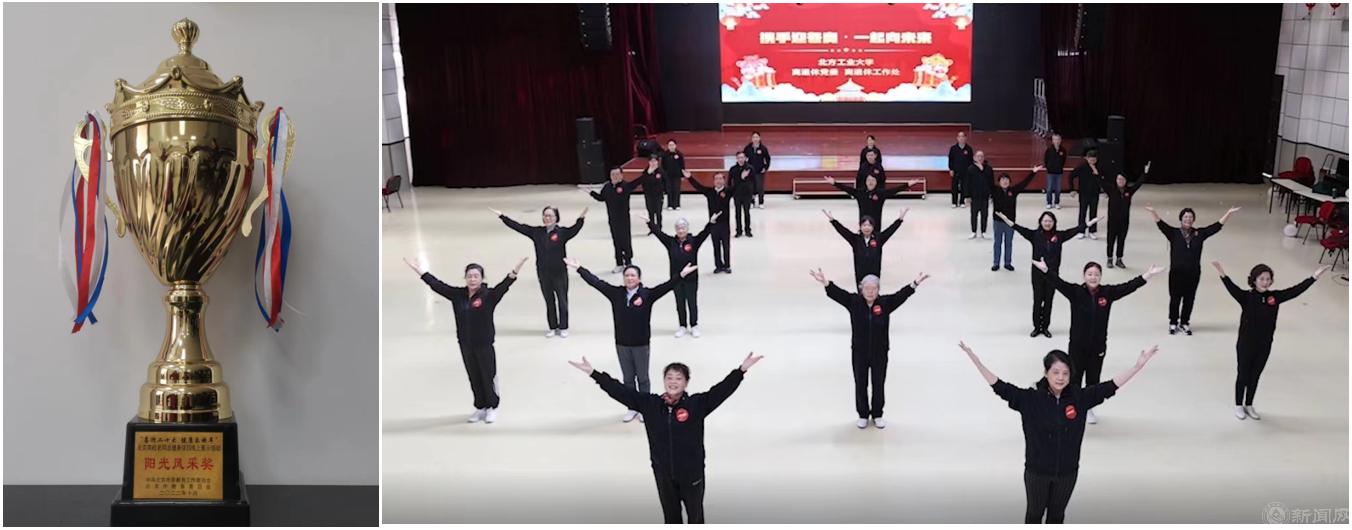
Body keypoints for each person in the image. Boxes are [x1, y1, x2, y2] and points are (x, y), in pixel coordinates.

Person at [957, 341, 1161, 523]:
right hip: (1037, 473)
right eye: (1055, 372)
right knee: (1034, 515)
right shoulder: (1030, 399)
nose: (1060, 378)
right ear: (1046, 373)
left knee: (1056, 516)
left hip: (1067, 473)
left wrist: (1137, 367)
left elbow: (1110, 387)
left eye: (1065, 373)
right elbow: (1000, 387)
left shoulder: (1080, 398)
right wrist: (977, 362)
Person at [568, 352, 764, 523]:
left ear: (686, 383)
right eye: (669, 377)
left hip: (691, 474)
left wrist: (741, 371)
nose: (673, 382)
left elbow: (721, 391)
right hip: (663, 475)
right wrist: (594, 373)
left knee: (695, 516)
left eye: (678, 378)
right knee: (671, 518)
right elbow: (621, 391)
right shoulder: (650, 404)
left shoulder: (697, 404)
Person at [565, 257, 697, 423]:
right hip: (622, 343)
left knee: (642, 378)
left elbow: (666, 286)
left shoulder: (647, 295)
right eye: (627, 275)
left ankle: (645, 408)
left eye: (633, 275)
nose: (629, 278)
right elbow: (596, 283)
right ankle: (632, 407)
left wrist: (681, 275)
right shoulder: (616, 294)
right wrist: (579, 268)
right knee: (628, 378)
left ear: (639, 278)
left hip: (641, 344)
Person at [1034, 259, 1163, 424]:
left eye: (1096, 274)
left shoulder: (1107, 293)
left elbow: (1128, 287)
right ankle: (1070, 407)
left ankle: (1088, 408)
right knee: (1074, 378)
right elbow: (1059, 283)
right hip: (1077, 346)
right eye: (1089, 274)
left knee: (1093, 379)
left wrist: (1147, 275)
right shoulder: (1075, 292)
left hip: (1098, 346)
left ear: (1100, 276)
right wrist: (1046, 271)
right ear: (1084, 276)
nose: (1093, 277)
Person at [405, 256, 527, 424]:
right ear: (465, 278)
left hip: (484, 344)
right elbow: (437, 285)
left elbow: (504, 285)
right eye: (469, 276)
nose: (472, 279)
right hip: (466, 344)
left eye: (476, 276)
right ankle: (480, 406)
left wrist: (515, 270)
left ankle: (492, 407)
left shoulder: (489, 296)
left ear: (482, 278)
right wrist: (419, 270)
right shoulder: (458, 295)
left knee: (488, 375)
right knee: (474, 376)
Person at [810, 267, 929, 429]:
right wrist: (826, 283)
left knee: (878, 383)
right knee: (861, 383)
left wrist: (915, 284)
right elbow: (838, 294)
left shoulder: (885, 303)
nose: (870, 292)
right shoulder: (854, 302)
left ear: (878, 290)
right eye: (867, 288)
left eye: (873, 288)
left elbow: (901, 296)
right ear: (861, 289)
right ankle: (863, 414)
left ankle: (878, 414)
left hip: (880, 352)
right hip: (859, 352)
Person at [1211, 261, 1329, 420]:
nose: (1265, 282)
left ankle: (1249, 404)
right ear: (1254, 280)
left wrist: (1314, 277)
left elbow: (1295, 291)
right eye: (1262, 279)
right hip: (1246, 344)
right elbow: (1232, 288)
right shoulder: (1246, 297)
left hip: (1264, 345)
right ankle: (1238, 405)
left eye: (1268, 279)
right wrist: (1221, 272)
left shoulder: (1275, 297)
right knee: (1243, 374)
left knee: (1255, 375)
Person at [998, 210, 1102, 338]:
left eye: (1050, 221)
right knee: (1037, 300)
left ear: (1054, 222)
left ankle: (1045, 327)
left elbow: (1075, 230)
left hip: (1053, 275)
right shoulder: (1034, 235)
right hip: (1037, 274)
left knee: (1049, 301)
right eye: (1045, 221)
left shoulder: (1060, 236)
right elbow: (1018, 228)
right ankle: (1037, 327)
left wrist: (1089, 223)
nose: (1047, 223)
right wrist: (1006, 219)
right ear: (1041, 222)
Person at [1146, 205, 1241, 335]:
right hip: (1176, 273)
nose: (1188, 219)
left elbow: (1216, 227)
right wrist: (1153, 212)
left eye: (1190, 217)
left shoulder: (1199, 234)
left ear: (1193, 219)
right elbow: (1160, 224)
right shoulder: (1174, 233)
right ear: (1181, 219)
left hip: (1193, 273)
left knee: (1189, 299)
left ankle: (1184, 322)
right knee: (1175, 298)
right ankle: (1173, 322)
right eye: (1185, 217)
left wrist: (1228, 213)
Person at [495, 206, 587, 338]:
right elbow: (519, 227)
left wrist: (581, 218)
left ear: (556, 218)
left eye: (550, 216)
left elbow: (575, 229)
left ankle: (563, 326)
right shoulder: (536, 232)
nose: (547, 218)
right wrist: (502, 216)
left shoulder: (562, 233)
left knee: (562, 300)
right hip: (543, 272)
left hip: (559, 272)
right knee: (549, 300)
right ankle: (553, 327)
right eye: (545, 215)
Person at [639, 212, 722, 338]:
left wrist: (711, 222)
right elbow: (659, 233)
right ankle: (682, 325)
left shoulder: (694, 241)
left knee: (692, 302)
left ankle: (694, 325)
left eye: (683, 228)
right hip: (676, 279)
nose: (681, 230)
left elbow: (704, 234)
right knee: (680, 303)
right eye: (678, 228)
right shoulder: (670, 242)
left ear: (687, 229)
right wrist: (649, 223)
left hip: (691, 279)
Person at [823, 208, 907, 283]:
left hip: (875, 274)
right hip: (860, 275)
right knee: (861, 294)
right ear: (860, 227)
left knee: (873, 293)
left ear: (873, 227)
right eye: (864, 225)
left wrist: (899, 220)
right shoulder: (855, 239)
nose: (867, 228)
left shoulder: (879, 238)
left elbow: (890, 230)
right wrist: (833, 220)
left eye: (869, 225)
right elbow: (843, 231)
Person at [684, 172, 741, 273]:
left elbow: (737, 186)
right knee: (716, 245)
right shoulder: (709, 192)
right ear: (714, 181)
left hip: (724, 224)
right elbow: (699, 187)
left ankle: (727, 265)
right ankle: (718, 265)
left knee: (726, 245)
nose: (718, 181)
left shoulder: (727, 191)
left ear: (724, 180)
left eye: (720, 178)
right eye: (716, 179)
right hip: (713, 224)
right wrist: (690, 178)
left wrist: (742, 178)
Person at [990, 167, 1043, 271]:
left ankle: (1007, 263)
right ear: (999, 182)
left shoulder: (1013, 191)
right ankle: (996, 263)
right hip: (998, 221)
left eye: (1007, 180)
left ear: (1009, 182)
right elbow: (986, 180)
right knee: (997, 242)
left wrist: (1033, 172)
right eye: (1002, 180)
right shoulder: (995, 190)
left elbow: (1024, 183)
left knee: (1008, 243)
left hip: (1010, 222)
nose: (1005, 182)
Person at [1097, 164, 1149, 268]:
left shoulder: (1129, 191)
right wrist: (1096, 172)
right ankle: (1109, 259)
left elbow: (1138, 183)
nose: (1120, 181)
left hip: (1124, 221)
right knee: (1110, 240)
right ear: (1116, 180)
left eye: (1122, 179)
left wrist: (1145, 173)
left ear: (1125, 181)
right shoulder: (1111, 190)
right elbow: (1100, 181)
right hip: (1113, 220)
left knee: (1121, 240)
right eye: (1118, 179)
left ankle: (1119, 259)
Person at [588, 168, 639, 272]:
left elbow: (637, 182)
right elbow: (601, 198)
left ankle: (628, 261)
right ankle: (619, 263)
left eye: (617, 174)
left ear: (621, 175)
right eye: (612, 174)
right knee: (616, 241)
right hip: (612, 219)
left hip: (624, 219)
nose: (614, 176)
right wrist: (591, 193)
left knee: (626, 240)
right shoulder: (607, 187)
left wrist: (648, 172)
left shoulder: (625, 186)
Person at [825, 174, 910, 224]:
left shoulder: (881, 193)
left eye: (873, 180)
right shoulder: (860, 192)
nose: (870, 182)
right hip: (863, 225)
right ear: (865, 182)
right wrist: (835, 183)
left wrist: (907, 184)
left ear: (876, 182)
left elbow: (895, 190)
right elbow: (847, 189)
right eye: (868, 180)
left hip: (876, 226)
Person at [1069, 149, 1102, 240]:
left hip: (1095, 193)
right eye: (1090, 160)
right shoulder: (1081, 167)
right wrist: (1072, 189)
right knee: (1082, 212)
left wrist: (1096, 172)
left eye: (1094, 160)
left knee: (1093, 212)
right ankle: (1081, 231)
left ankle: (1092, 231)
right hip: (1084, 193)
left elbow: (1103, 179)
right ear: (1087, 158)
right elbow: (1071, 176)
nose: (1092, 162)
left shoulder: (1099, 167)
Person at [965, 150, 994, 239]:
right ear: (974, 158)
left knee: (984, 214)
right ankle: (973, 231)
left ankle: (983, 231)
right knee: (974, 214)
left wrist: (992, 195)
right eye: (978, 156)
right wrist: (967, 196)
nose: (980, 158)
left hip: (985, 195)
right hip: (974, 196)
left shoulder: (988, 169)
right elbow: (967, 183)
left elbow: (991, 182)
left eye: (981, 156)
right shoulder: (970, 168)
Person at [728, 151, 756, 237]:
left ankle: (748, 230)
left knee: (747, 212)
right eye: (739, 157)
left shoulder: (750, 168)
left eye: (742, 157)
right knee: (738, 213)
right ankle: (738, 231)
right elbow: (729, 182)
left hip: (747, 194)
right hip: (737, 194)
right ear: (736, 159)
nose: (741, 159)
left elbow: (754, 181)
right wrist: (730, 193)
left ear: (745, 158)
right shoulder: (733, 169)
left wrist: (754, 193)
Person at [742, 131, 772, 209]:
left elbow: (768, 158)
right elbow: (743, 158)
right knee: (751, 187)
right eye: (754, 137)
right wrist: (745, 168)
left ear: (759, 138)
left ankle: (761, 202)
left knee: (760, 187)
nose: (755, 139)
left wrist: (765, 168)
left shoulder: (763, 148)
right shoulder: (748, 148)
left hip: (759, 171)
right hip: (750, 171)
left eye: (757, 137)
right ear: (751, 139)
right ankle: (752, 202)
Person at [637, 155, 666, 233]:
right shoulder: (646, 171)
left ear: (657, 162)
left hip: (658, 195)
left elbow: (665, 182)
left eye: (655, 161)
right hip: (649, 195)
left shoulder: (661, 171)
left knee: (658, 212)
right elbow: (643, 182)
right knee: (651, 212)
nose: (653, 163)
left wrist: (663, 190)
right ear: (649, 162)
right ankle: (652, 229)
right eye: (651, 161)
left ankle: (659, 228)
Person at [948, 130, 974, 208]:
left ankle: (962, 201)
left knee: (964, 186)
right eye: (959, 136)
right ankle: (954, 202)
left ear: (965, 138)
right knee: (954, 187)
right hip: (955, 170)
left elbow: (971, 161)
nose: (961, 138)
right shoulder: (953, 148)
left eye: (963, 136)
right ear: (957, 138)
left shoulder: (969, 149)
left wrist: (970, 170)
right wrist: (951, 169)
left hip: (966, 171)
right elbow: (950, 159)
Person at [1043, 133, 1068, 210]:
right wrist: (1048, 167)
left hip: (1059, 172)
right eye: (1055, 139)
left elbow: (1064, 160)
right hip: (1050, 172)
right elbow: (1046, 159)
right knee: (1049, 188)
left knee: (1058, 189)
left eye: (1058, 139)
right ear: (1052, 141)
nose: (1056, 141)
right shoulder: (1049, 150)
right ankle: (1049, 202)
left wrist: (1060, 167)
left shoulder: (1063, 150)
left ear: (1060, 140)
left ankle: (1057, 202)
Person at [660, 139, 686, 210]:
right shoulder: (665, 155)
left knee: (676, 189)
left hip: (677, 175)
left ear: (675, 145)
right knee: (669, 190)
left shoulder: (679, 154)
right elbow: (662, 165)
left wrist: (682, 175)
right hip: (668, 175)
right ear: (668, 146)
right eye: (670, 145)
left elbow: (682, 165)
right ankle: (670, 205)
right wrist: (663, 175)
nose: (671, 146)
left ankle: (677, 204)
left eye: (672, 145)